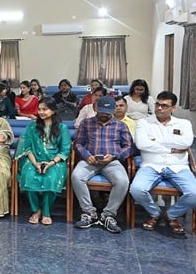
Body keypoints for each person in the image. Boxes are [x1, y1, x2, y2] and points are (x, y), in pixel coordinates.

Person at [129, 91, 196, 236]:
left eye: (164, 106)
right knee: (136, 189)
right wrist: (173, 148)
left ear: (173, 108)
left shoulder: (184, 123)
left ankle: (171, 215)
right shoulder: (144, 122)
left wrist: (154, 142)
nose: (159, 108)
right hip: (151, 165)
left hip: (179, 166)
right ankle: (155, 213)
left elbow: (186, 142)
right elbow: (141, 144)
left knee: (194, 193)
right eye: (158, 105)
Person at [70, 96, 133, 233]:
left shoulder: (120, 125)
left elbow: (128, 147)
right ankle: (89, 213)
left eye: (107, 112)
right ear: (96, 108)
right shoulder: (86, 123)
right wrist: (87, 156)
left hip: (112, 161)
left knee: (123, 181)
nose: (104, 114)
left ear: (112, 110)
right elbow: (78, 144)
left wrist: (114, 156)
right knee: (76, 176)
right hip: (90, 160)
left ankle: (108, 215)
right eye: (102, 111)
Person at [16, 98, 71, 225]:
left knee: (51, 178)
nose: (41, 112)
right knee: (28, 176)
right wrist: (35, 163)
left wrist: (51, 163)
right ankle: (36, 210)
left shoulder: (62, 128)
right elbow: (27, 147)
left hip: (54, 161)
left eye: (45, 109)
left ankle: (46, 212)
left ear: (53, 110)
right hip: (34, 160)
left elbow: (65, 150)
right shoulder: (32, 126)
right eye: (39, 109)